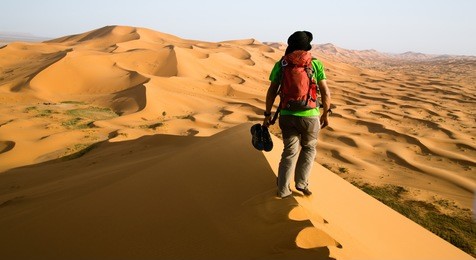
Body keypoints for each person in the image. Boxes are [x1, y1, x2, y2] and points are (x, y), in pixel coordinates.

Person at [263, 31, 331, 198]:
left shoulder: (282, 64)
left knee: (289, 152)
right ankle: (301, 183)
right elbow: (325, 92)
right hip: (310, 116)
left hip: (287, 115)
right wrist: (325, 114)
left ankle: (283, 190)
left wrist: (267, 114)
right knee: (309, 148)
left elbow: (272, 91)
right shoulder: (315, 64)